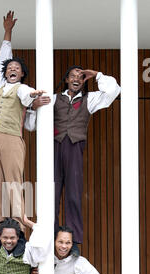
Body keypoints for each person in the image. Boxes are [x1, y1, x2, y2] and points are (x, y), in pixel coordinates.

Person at [25, 64, 121, 252]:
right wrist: (33, 107)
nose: (76, 78)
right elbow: (31, 125)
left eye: (80, 76)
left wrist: (96, 74)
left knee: (74, 194)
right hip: (54, 146)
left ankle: (73, 240)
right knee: (51, 193)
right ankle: (50, 238)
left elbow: (114, 90)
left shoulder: (90, 99)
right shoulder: (52, 99)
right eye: (73, 76)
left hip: (75, 147)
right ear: (67, 80)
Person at [0, 11, 44, 235]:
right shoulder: (1, 84)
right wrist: (7, 32)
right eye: (10, 68)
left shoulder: (22, 89)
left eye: (16, 69)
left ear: (22, 74)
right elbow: (4, 56)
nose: (12, 70)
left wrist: (33, 98)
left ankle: (19, 227)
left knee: (13, 182)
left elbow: (28, 95)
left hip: (11, 138)